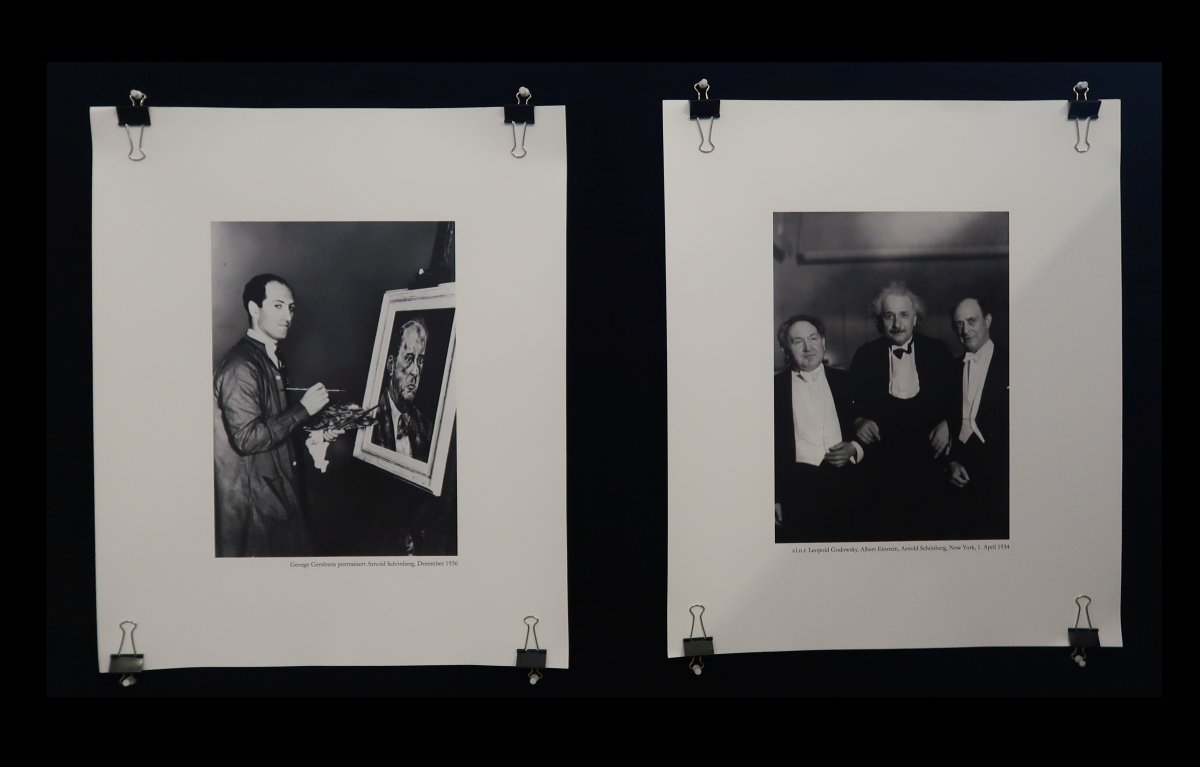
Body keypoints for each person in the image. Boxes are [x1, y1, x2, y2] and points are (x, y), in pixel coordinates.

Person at [213, 274, 330, 557]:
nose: (287, 316)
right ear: (254, 309)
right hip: (257, 509)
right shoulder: (241, 366)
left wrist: (318, 432)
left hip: (277, 495)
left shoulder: (270, 357)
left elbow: (276, 424)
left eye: (291, 308)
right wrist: (303, 409)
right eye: (278, 306)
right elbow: (247, 439)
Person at [849, 281, 956, 540]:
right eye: (889, 316)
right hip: (881, 472)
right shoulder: (865, 355)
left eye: (904, 315)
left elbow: (958, 399)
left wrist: (948, 423)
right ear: (880, 321)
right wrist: (858, 420)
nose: (897, 323)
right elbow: (848, 403)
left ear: (915, 319)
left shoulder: (938, 351)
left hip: (931, 468)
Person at [774, 314, 864, 542]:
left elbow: (872, 428)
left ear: (823, 342)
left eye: (813, 338)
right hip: (797, 492)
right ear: (785, 350)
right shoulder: (772, 390)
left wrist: (855, 448)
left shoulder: (850, 381)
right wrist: (774, 497)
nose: (808, 348)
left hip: (848, 487)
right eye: (798, 342)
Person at [946, 297, 1009, 539]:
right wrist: (951, 461)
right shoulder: (951, 369)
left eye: (971, 321)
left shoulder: (1012, 363)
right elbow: (947, 421)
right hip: (960, 474)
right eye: (959, 324)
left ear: (988, 320)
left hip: (1002, 477)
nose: (965, 330)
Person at [371, 317, 432, 462]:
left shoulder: (426, 428)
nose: (415, 371)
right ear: (391, 365)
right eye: (409, 359)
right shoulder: (371, 419)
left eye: (420, 361)